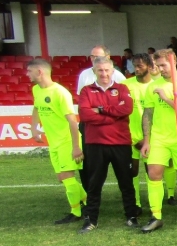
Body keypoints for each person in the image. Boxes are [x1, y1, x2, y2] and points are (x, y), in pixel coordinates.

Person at [77, 56, 138, 233]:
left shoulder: (122, 88)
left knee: (126, 182)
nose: (104, 74)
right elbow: (86, 116)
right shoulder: (86, 91)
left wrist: (101, 110)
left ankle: (131, 217)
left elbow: (126, 109)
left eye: (107, 70)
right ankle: (91, 220)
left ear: (113, 71)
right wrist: (113, 116)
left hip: (120, 143)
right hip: (95, 144)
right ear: (94, 71)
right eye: (100, 70)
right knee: (94, 183)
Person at [138, 50, 177, 233]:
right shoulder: (152, 87)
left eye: (163, 65)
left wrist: (166, 97)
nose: (160, 69)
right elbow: (148, 114)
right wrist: (146, 140)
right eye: (158, 66)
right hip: (159, 138)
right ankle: (156, 216)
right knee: (153, 173)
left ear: (174, 61)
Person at [29, 58, 86, 224]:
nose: (27, 74)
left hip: (66, 141)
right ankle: (89, 202)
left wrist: (76, 147)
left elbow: (73, 122)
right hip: (54, 142)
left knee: (67, 177)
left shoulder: (60, 93)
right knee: (61, 178)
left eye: (29, 71)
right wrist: (34, 127)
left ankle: (76, 212)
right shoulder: (36, 90)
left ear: (39, 71)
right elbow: (36, 108)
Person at [123, 53, 154, 214]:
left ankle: (153, 203)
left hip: (150, 138)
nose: (136, 69)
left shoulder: (157, 86)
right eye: (134, 65)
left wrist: (148, 138)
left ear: (149, 66)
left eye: (140, 66)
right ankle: (135, 204)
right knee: (132, 171)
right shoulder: (124, 85)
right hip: (129, 137)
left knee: (152, 172)